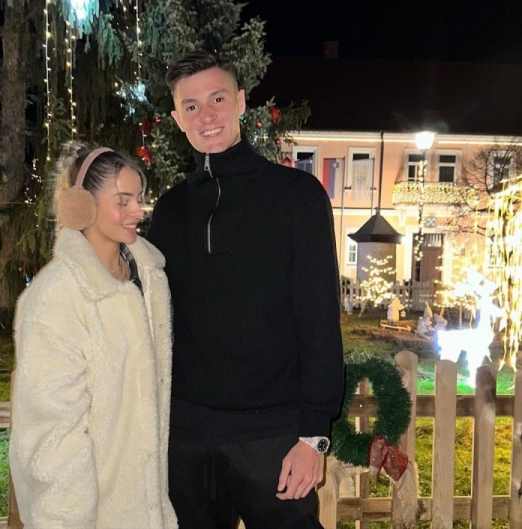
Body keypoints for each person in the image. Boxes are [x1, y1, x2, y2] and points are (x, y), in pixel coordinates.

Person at [146, 51, 345, 529]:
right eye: (191, 106)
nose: (206, 115)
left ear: (239, 102)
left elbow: (320, 320)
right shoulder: (170, 211)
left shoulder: (297, 198)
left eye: (217, 99)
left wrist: (314, 436)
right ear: (177, 118)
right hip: (186, 439)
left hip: (274, 438)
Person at [9, 141, 178, 529]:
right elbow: (52, 435)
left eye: (139, 199)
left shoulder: (150, 279)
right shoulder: (57, 297)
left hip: (150, 510)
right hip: (91, 516)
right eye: (122, 202)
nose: (137, 212)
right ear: (82, 206)